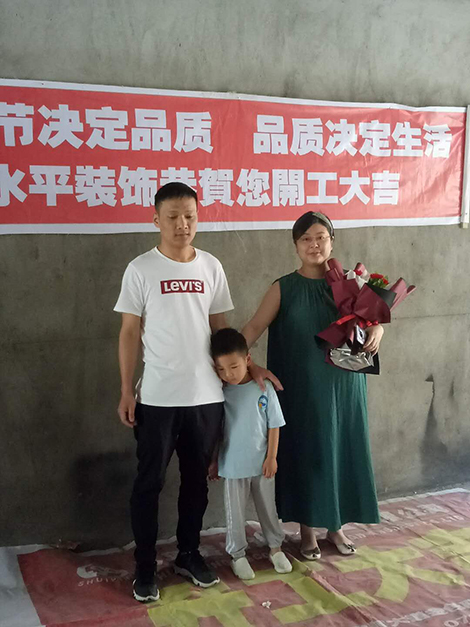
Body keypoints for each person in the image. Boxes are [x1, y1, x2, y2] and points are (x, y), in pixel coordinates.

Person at [114, 182, 234, 603]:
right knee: (149, 483)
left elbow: (220, 329)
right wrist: (126, 390)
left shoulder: (211, 266)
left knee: (197, 483)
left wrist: (241, 371)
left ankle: (188, 554)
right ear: (156, 220)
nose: (183, 224)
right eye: (173, 217)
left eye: (190, 216)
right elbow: (129, 332)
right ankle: (145, 567)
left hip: (206, 397)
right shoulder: (141, 269)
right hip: (158, 398)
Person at [242, 211, 383, 560]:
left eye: (321, 237)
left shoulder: (351, 285)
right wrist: (242, 364)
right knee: (309, 453)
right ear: (296, 245)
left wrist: (379, 329)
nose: (314, 244)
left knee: (340, 450)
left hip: (345, 387)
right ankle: (307, 530)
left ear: (332, 241)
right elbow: (252, 329)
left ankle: (335, 527)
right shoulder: (283, 287)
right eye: (306, 238)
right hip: (302, 389)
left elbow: (372, 320)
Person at [209, 328, 292, 580]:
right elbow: (216, 431)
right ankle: (237, 555)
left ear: (247, 360)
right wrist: (214, 461)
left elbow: (274, 424)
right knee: (235, 513)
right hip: (232, 465)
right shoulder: (220, 393)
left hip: (262, 463)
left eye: (233, 367)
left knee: (268, 507)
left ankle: (275, 547)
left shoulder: (263, 388)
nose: (228, 374)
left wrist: (271, 457)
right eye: (221, 369)